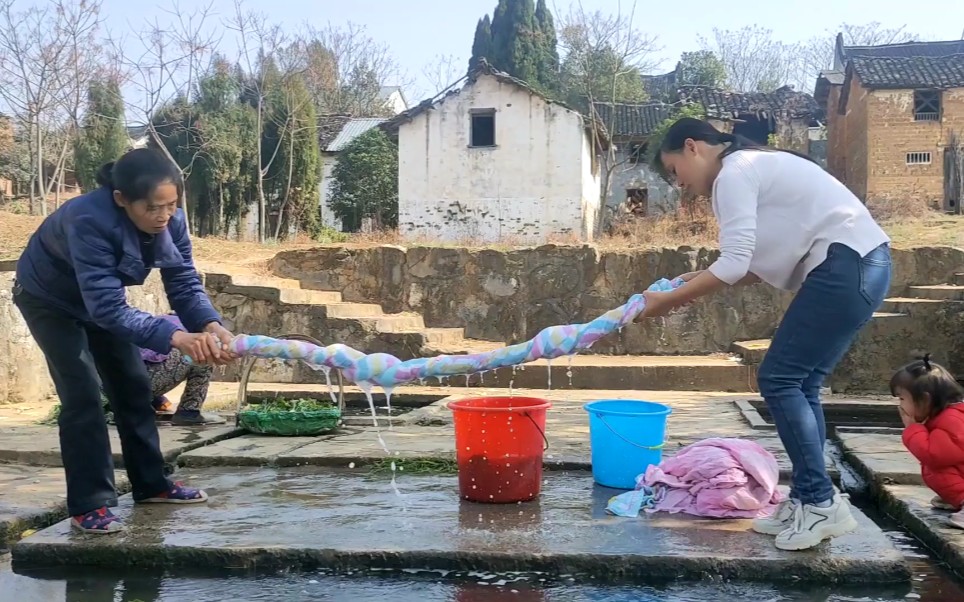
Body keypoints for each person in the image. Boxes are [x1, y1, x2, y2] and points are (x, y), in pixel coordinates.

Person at [640, 118, 892, 551]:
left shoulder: (734, 173)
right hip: (861, 265)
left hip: (847, 265)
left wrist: (667, 301)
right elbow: (752, 265)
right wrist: (696, 279)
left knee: (780, 378)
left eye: (674, 170)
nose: (678, 184)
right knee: (802, 383)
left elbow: (735, 263)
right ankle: (809, 498)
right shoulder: (751, 166)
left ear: (692, 147)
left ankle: (820, 502)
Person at [13, 147, 237, 534]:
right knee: (82, 395)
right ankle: (90, 505)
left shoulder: (172, 222)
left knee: (133, 387)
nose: (164, 216)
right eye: (153, 208)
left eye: (171, 205)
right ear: (121, 199)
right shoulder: (88, 220)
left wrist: (211, 323)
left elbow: (183, 282)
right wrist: (177, 336)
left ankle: (152, 484)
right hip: (51, 302)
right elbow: (107, 309)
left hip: (101, 303)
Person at [103, 312, 225, 427]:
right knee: (203, 355)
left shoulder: (158, 321)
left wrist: (159, 401)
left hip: (105, 385)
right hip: (132, 386)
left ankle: (119, 407)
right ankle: (189, 412)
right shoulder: (190, 330)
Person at [891, 355, 964, 528]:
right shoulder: (945, 416)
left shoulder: (952, 420)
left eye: (902, 398)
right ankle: (957, 497)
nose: (899, 405)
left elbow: (933, 454)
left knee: (936, 467)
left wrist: (912, 428)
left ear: (925, 400)